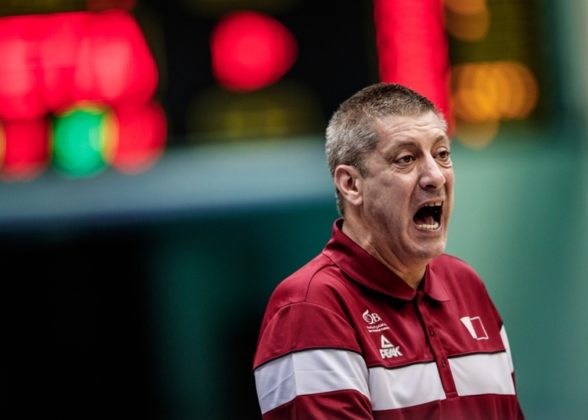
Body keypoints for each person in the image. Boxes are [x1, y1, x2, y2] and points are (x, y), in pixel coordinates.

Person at [253, 83, 524, 419]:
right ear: (351, 184)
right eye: (406, 159)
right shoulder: (310, 305)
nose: (436, 176)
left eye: (442, 154)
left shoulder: (466, 285)